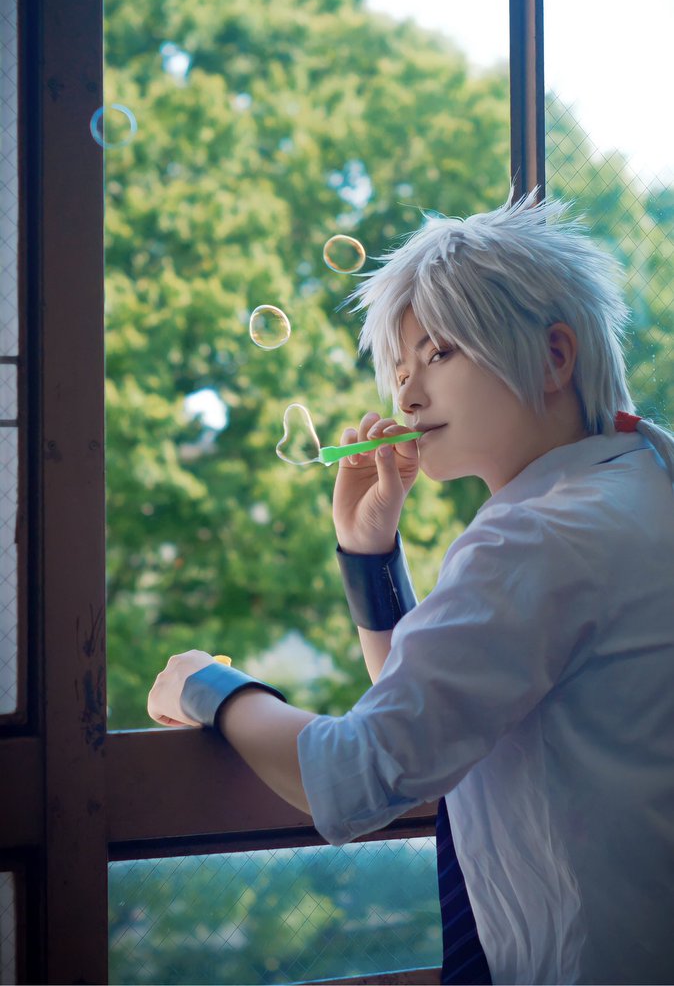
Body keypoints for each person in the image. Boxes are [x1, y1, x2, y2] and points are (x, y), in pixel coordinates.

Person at [148, 195, 674, 986]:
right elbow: (423, 718)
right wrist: (370, 550)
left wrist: (207, 687)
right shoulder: (641, 481)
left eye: (438, 354)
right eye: (400, 370)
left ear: (554, 356)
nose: (408, 397)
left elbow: (357, 775)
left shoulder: (533, 535)